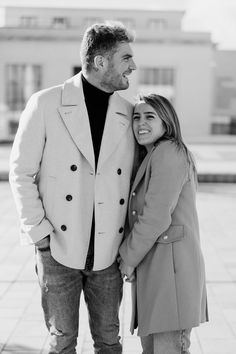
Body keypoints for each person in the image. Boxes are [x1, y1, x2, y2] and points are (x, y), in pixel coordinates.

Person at [9, 22, 136, 354]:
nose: (133, 67)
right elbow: (20, 172)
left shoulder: (128, 112)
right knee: (62, 341)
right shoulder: (46, 103)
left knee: (109, 342)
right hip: (58, 248)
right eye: (126, 58)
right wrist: (38, 232)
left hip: (108, 252)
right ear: (99, 62)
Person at [119, 94, 208, 354]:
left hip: (172, 273)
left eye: (149, 116)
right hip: (159, 271)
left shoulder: (169, 152)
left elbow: (156, 216)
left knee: (169, 349)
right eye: (136, 117)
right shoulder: (153, 154)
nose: (140, 123)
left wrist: (128, 257)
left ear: (166, 122)